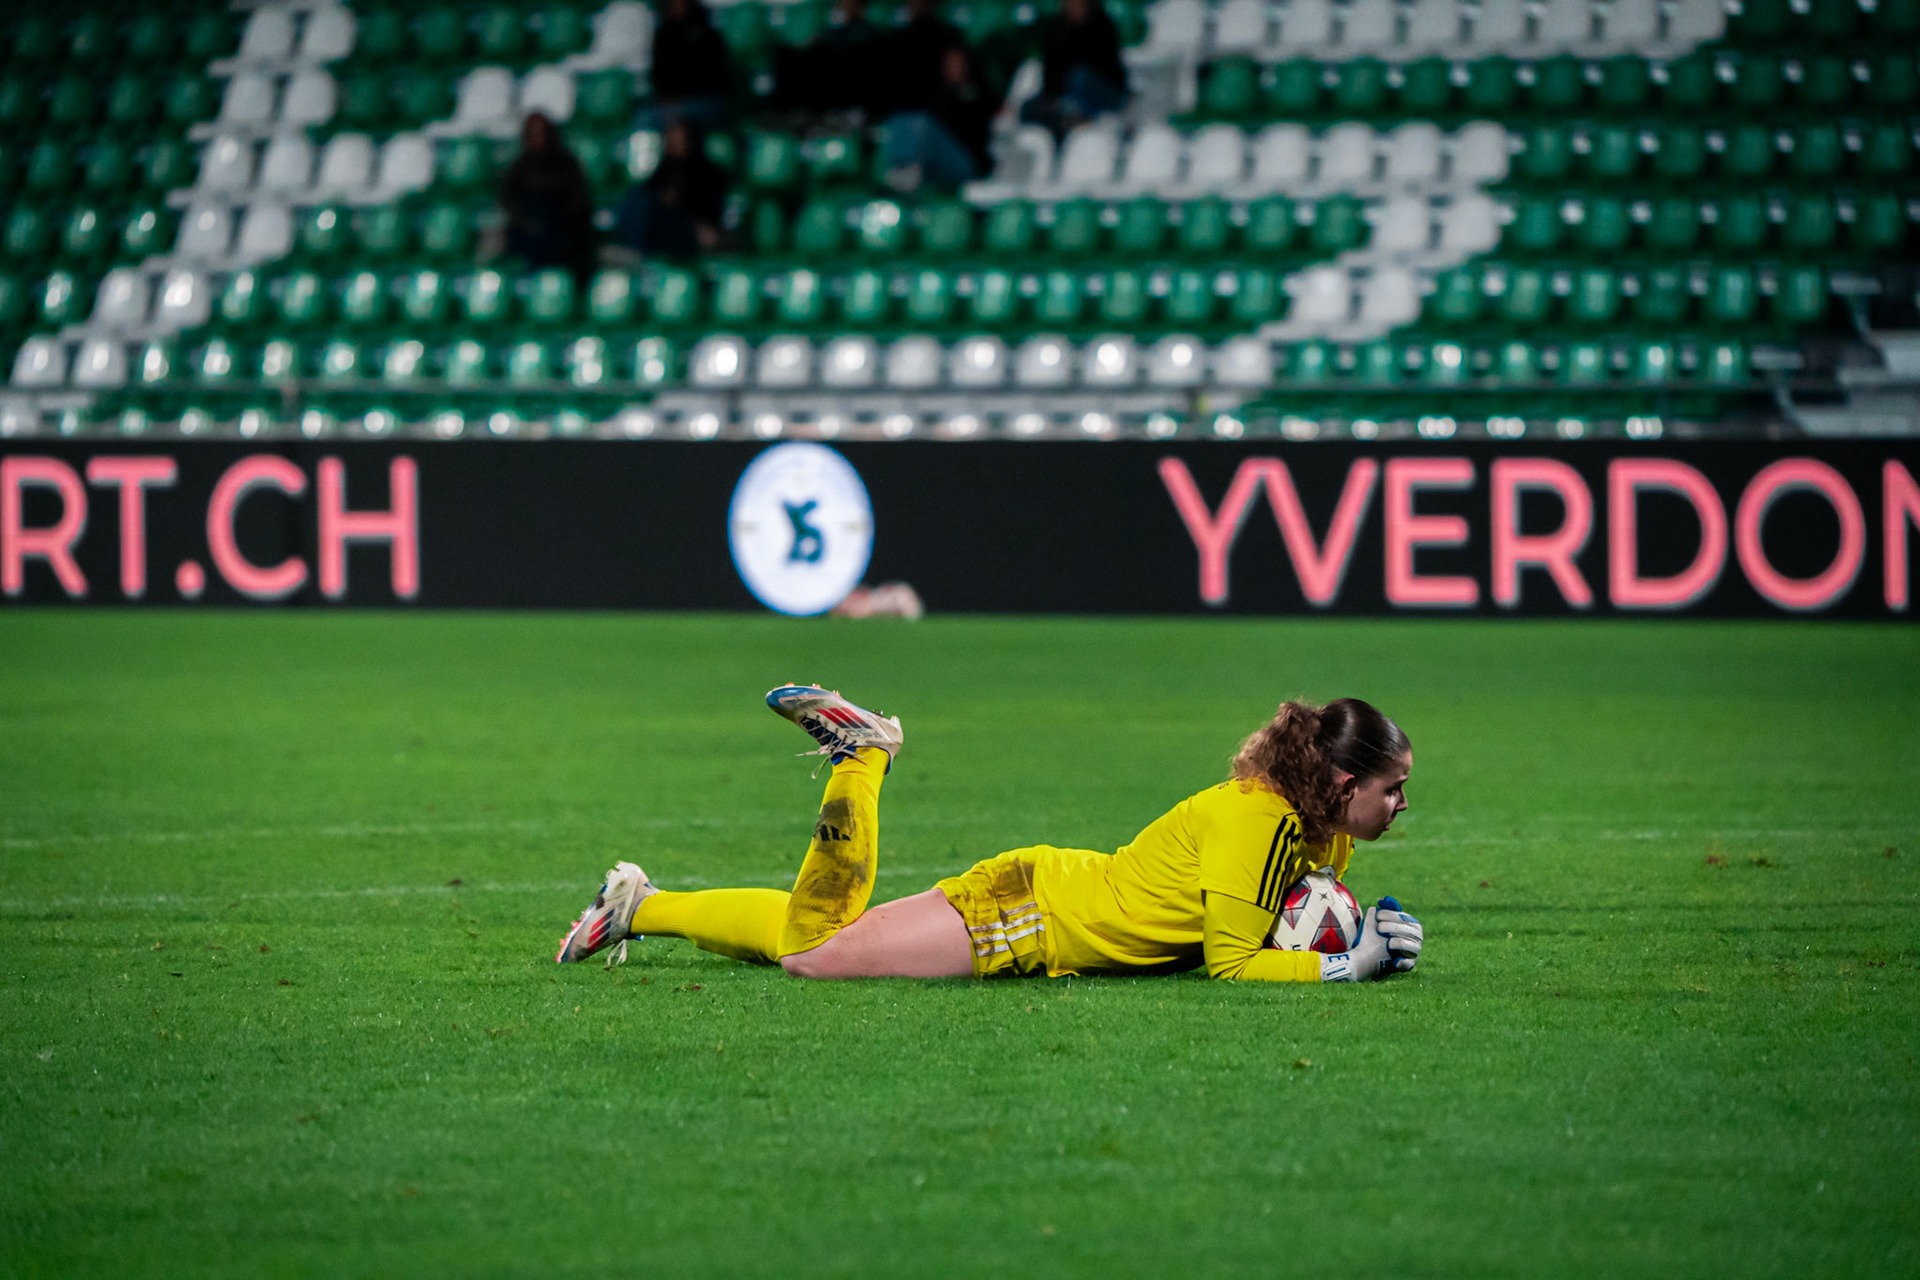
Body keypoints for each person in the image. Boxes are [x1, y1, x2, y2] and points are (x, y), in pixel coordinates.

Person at [556, 686, 1424, 983]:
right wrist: (1348, 963)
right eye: (1394, 791)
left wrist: (1374, 925)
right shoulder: (1265, 819)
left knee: (810, 939)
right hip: (1035, 915)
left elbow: (1288, 914)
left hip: (1052, 895)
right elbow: (1234, 961)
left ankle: (642, 903)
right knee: (813, 955)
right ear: (1344, 784)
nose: (1401, 807)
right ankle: (862, 759)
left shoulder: (1315, 824)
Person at [497, 112, 596, 285]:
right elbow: (508, 201)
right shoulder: (519, 168)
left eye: (541, 132)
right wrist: (529, 223)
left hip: (564, 232)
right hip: (528, 234)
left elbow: (579, 202)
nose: (538, 138)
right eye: (533, 133)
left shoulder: (567, 165)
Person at [882, 45, 997, 193]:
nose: (953, 69)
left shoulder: (979, 94)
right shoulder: (939, 94)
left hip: (966, 160)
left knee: (921, 123)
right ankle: (901, 168)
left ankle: (908, 170)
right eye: (949, 64)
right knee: (901, 117)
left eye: (957, 64)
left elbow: (972, 132)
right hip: (936, 155)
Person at [611, 121, 728, 257]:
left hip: (692, 232)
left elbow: (709, 218)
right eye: (671, 139)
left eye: (678, 140)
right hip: (661, 230)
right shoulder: (662, 172)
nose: (673, 144)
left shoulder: (710, 176)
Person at [1019, 0, 1130, 137]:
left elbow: (1107, 70)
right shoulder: (1056, 29)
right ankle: (1065, 119)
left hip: (1101, 91)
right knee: (1029, 108)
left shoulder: (1102, 25)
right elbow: (1050, 73)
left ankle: (1076, 117)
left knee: (1080, 77)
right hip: (1065, 97)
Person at [641, 0, 732, 130]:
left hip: (705, 99)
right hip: (672, 104)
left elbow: (716, 74)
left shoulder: (708, 33)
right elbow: (658, 74)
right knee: (646, 120)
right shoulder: (663, 36)